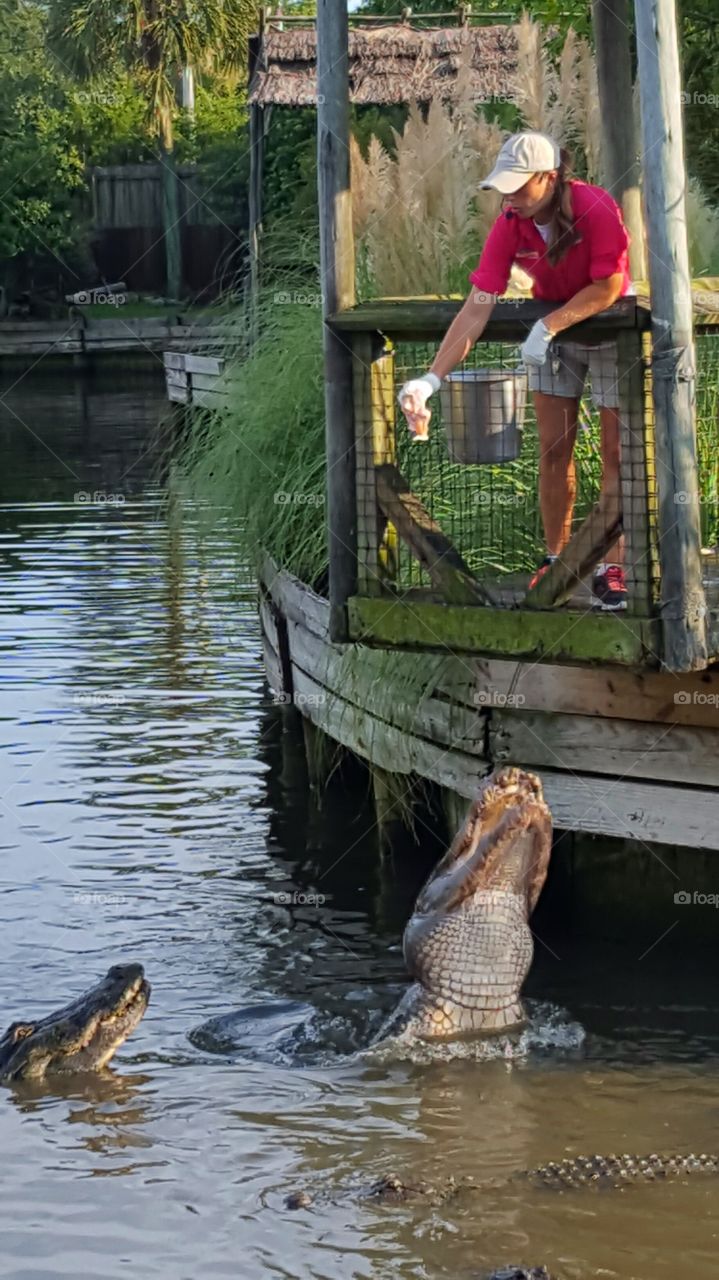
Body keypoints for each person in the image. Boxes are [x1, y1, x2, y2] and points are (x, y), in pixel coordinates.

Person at [398, 130, 634, 611]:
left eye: (518, 185)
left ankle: (612, 567)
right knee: (553, 449)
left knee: (617, 455)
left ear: (549, 177)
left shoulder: (596, 207)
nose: (508, 196)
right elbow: (477, 306)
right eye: (503, 186)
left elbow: (609, 285)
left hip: (611, 331)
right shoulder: (510, 222)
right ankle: (556, 563)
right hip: (553, 340)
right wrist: (429, 380)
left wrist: (548, 326)